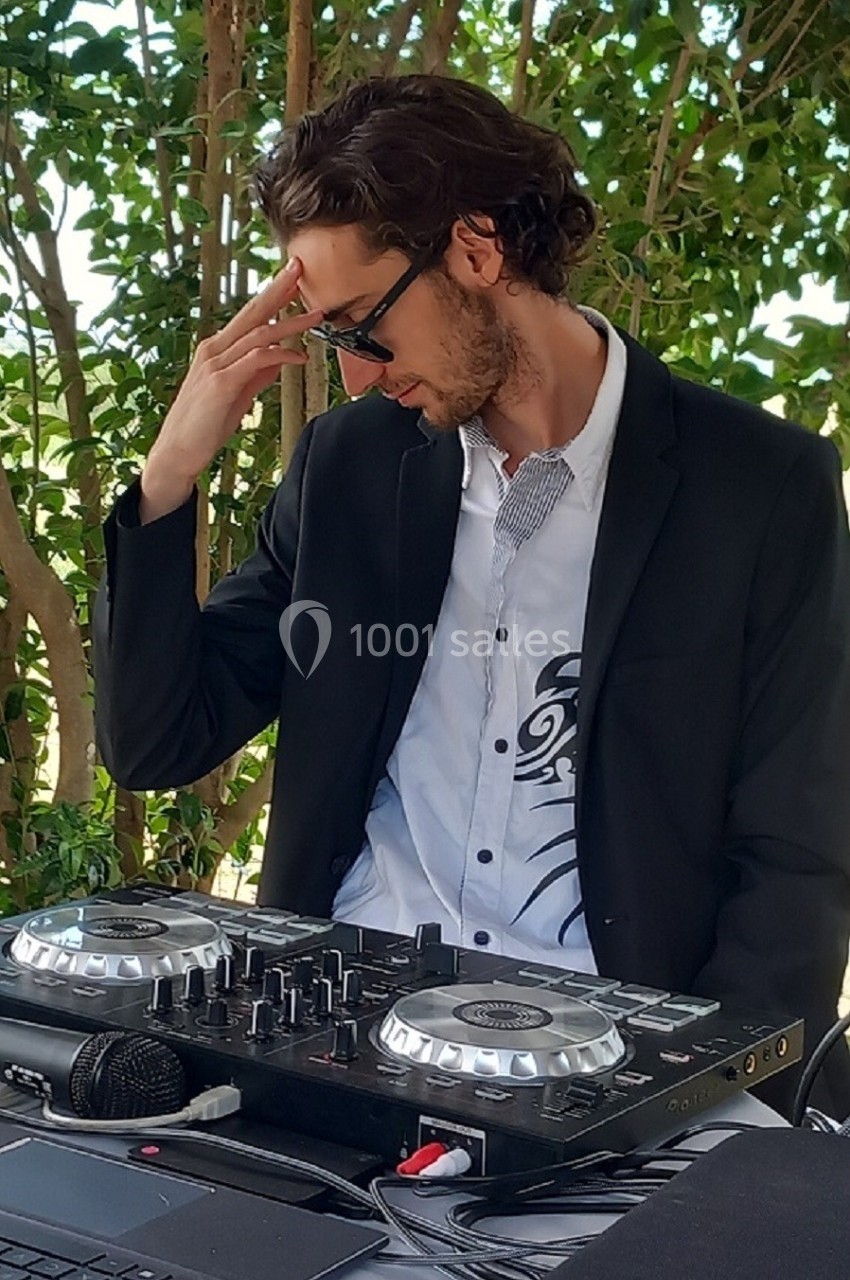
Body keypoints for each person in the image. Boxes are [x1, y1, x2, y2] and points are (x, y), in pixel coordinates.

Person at [93, 75, 850, 1119]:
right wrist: (168, 477)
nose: (357, 378)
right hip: (337, 1045)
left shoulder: (758, 487)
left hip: (608, 1072)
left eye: (361, 325)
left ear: (477, 248)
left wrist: (719, 1108)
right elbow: (155, 742)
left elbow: (796, 850)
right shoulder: (350, 466)